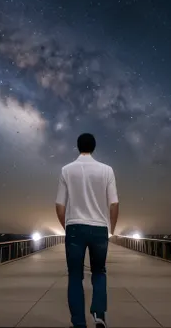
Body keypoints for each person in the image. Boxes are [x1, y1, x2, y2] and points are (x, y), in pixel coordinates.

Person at [55, 133, 119, 328]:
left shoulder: (66, 170)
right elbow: (114, 203)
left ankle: (78, 323)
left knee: (75, 275)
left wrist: (66, 226)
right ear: (94, 147)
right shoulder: (107, 170)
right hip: (99, 228)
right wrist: (111, 229)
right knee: (99, 272)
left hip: (75, 227)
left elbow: (59, 205)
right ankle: (99, 314)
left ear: (77, 146)